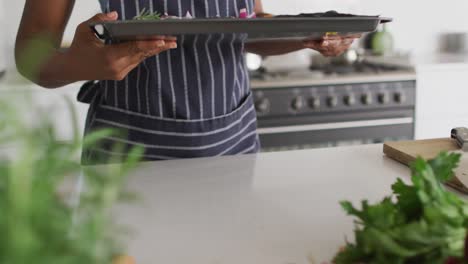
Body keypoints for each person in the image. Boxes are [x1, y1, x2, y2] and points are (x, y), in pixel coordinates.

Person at [15, 0, 360, 163]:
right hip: (128, 156)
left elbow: (246, 26)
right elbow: (30, 56)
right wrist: (79, 64)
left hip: (232, 144)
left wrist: (304, 34)